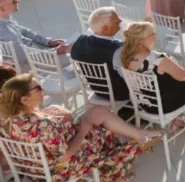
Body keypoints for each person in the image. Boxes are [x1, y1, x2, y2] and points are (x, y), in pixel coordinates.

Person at [0, 72, 161, 181]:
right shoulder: (42, 125)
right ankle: (115, 171)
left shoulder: (5, 120)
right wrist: (83, 130)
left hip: (35, 170)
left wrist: (58, 120)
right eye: (38, 88)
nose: (43, 89)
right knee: (102, 133)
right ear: (24, 99)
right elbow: (64, 157)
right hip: (60, 170)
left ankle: (133, 144)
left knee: (96, 113)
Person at [113, 21, 185, 129]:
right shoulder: (156, 58)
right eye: (152, 34)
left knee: (168, 80)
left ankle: (178, 121)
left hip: (144, 104)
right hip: (163, 106)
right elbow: (183, 76)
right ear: (141, 41)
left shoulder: (125, 57)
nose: (156, 36)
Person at [70, 7, 129, 102]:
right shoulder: (117, 50)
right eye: (116, 21)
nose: (121, 21)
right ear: (105, 28)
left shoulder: (81, 41)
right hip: (119, 93)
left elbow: (72, 54)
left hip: (97, 90)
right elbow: (127, 75)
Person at [0, 0, 70, 66]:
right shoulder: (5, 32)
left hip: (34, 51)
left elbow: (24, 31)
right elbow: (24, 58)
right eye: (13, 1)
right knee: (71, 55)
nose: (18, 1)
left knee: (67, 43)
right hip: (29, 63)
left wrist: (47, 42)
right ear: (2, 9)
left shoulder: (6, 17)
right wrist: (55, 51)